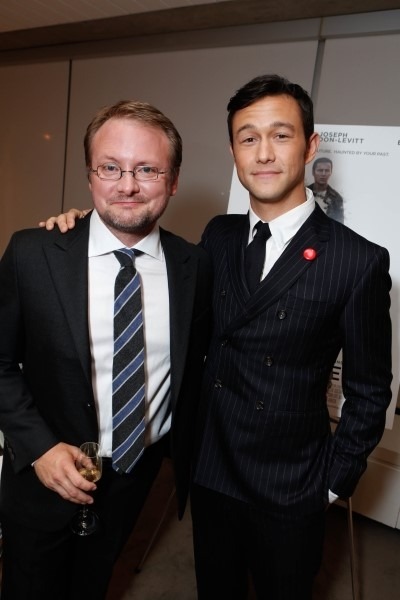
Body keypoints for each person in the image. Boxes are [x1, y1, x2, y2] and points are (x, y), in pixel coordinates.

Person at [41, 74, 392, 600]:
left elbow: (369, 390)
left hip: (292, 484)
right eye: (248, 138)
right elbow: (160, 285)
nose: (264, 153)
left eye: (281, 135)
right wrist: (86, 225)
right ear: (234, 151)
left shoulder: (357, 260)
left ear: (310, 146)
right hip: (211, 470)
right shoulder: (218, 236)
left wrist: (333, 482)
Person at [0, 100, 212, 600]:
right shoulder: (33, 253)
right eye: (111, 167)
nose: (127, 185)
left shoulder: (196, 267)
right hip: (41, 477)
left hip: (134, 478)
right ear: (90, 175)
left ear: (173, 180)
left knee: (94, 585)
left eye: (148, 170)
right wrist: (41, 448)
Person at [307, 157, 344, 223]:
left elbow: (339, 224)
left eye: (327, 171)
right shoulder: (304, 193)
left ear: (331, 172)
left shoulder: (336, 198)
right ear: (313, 172)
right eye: (320, 170)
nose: (323, 174)